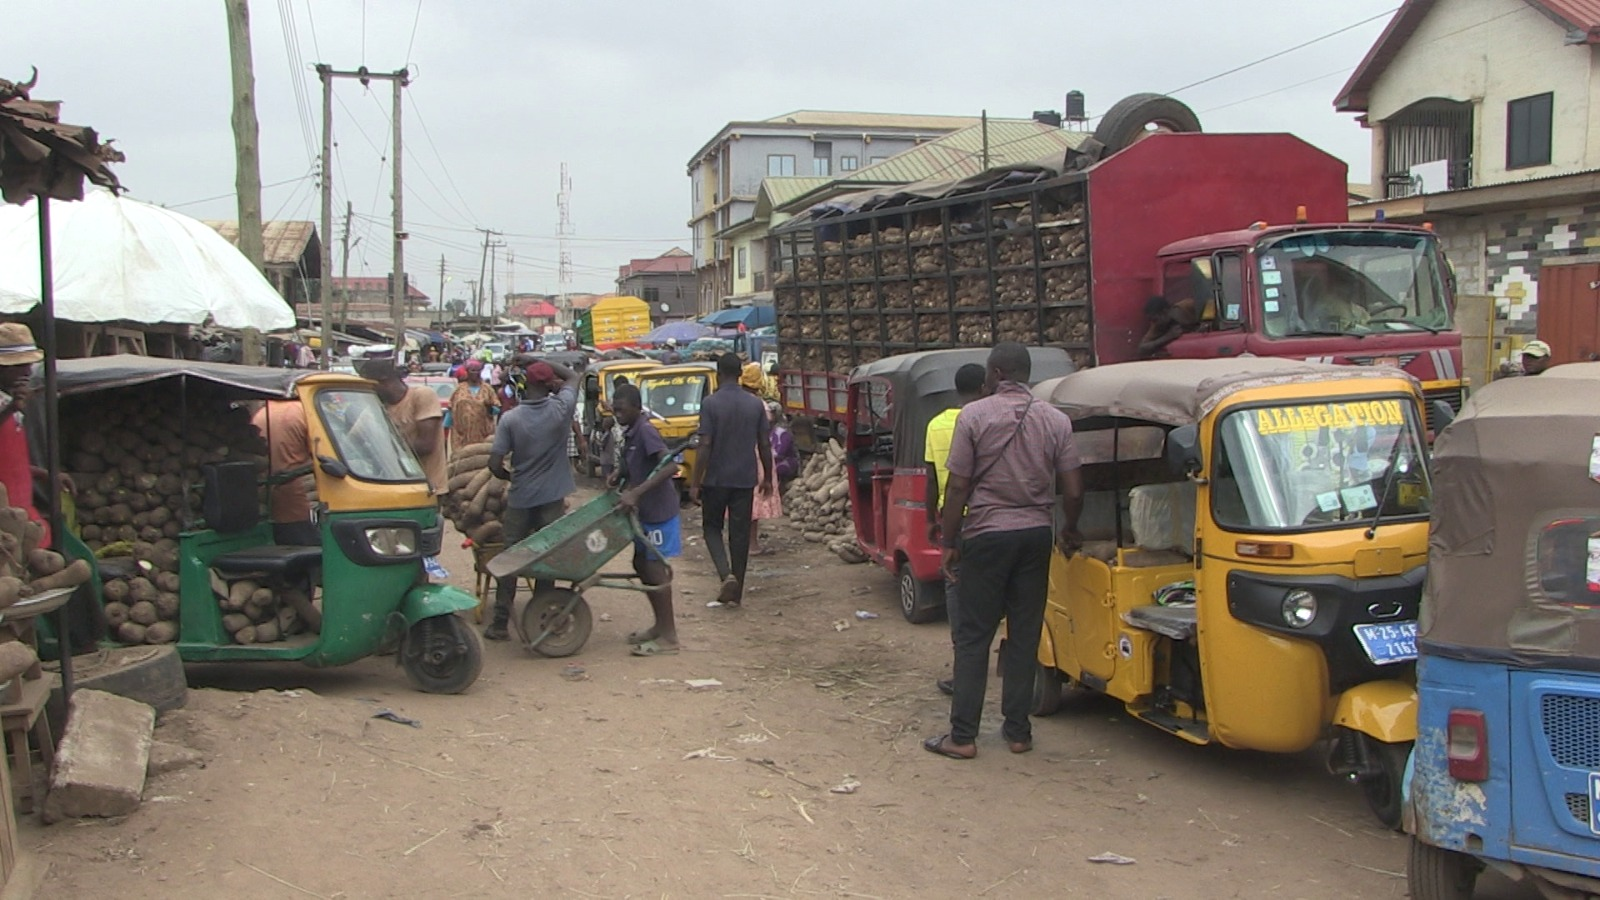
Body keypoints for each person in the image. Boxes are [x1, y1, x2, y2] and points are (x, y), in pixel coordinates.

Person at [924, 342, 1084, 760]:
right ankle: (1018, 733)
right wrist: (1070, 529)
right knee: (1024, 633)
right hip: (1035, 535)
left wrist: (949, 542)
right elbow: (1073, 487)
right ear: (1025, 374)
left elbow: (957, 486)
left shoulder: (974, 416)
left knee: (975, 636)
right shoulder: (1055, 420)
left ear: (994, 375)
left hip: (987, 535)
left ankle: (962, 737)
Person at [485, 360, 582, 640]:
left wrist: (509, 476)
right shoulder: (561, 408)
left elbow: (494, 464)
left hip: (521, 496)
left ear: (526, 384)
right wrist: (537, 358)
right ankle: (541, 616)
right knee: (545, 557)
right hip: (552, 497)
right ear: (550, 384)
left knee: (510, 557)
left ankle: (500, 622)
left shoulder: (511, 419)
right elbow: (573, 375)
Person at [690, 353, 773, 608]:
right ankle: (737, 593)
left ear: (718, 373)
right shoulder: (755, 404)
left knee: (712, 528)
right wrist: (767, 476)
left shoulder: (710, 403)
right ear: (739, 374)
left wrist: (695, 481)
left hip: (716, 478)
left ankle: (726, 574)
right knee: (739, 535)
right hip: (745, 478)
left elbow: (705, 444)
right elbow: (764, 444)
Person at [924, 363, 987, 697]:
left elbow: (933, 477)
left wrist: (930, 519)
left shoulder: (937, 425)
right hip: (990, 518)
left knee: (957, 593)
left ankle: (964, 669)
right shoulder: (990, 419)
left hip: (955, 521)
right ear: (984, 388)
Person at [610, 383, 681, 655]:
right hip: (644, 514)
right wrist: (621, 475)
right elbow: (638, 464)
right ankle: (659, 626)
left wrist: (636, 493)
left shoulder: (646, 431)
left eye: (622, 410)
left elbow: (670, 466)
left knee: (655, 570)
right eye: (615, 410)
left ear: (637, 408)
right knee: (641, 564)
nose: (617, 415)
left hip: (658, 513)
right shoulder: (630, 432)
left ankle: (670, 636)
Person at [247, 399, 325, 633]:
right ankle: (309, 620)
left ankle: (297, 618)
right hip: (300, 499)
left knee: (293, 562)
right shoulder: (304, 413)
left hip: (270, 502)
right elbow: (324, 456)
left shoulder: (261, 414)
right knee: (313, 561)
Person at [0, 323, 66, 545]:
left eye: (28, 365)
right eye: (18, 366)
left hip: (23, 508)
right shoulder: (10, 405)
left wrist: (43, 473)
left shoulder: (11, 400)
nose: (27, 372)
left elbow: (9, 460)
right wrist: (10, 410)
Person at [358, 357, 448, 496]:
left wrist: (380, 451)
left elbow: (425, 445)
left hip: (427, 488)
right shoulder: (377, 408)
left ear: (383, 380)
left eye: (370, 386)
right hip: (394, 488)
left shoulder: (422, 395)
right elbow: (353, 441)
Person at [741, 364, 782, 557]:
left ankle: (741, 543)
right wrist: (766, 474)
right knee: (755, 502)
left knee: (741, 501)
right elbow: (764, 440)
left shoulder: (734, 402)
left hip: (737, 455)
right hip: (757, 456)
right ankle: (752, 545)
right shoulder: (759, 405)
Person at [447, 360, 500, 451]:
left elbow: (497, 409)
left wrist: (489, 407)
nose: (476, 373)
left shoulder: (487, 389)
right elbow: (451, 408)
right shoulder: (459, 389)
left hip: (483, 434)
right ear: (467, 372)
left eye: (478, 370)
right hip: (462, 436)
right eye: (472, 370)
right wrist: (446, 426)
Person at [769, 402, 799, 487]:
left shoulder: (782, 431)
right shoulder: (770, 428)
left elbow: (779, 453)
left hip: (787, 462)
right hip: (775, 460)